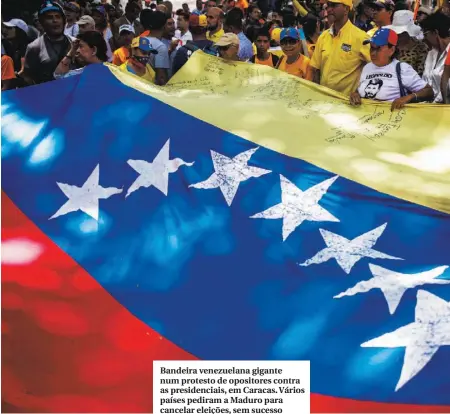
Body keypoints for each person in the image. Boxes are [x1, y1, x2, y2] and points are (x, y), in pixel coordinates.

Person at [350, 28, 433, 110]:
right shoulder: (367, 67)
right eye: (371, 47)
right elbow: (362, 88)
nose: (372, 53)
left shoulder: (402, 68)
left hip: (390, 120)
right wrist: (356, 94)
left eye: (378, 48)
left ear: (391, 50)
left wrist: (408, 98)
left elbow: (428, 91)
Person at [310, 0, 371, 96]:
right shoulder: (323, 37)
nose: (329, 9)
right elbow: (316, 69)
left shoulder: (361, 37)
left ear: (346, 9)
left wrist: (359, 92)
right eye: (328, 5)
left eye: (334, 5)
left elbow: (376, 68)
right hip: (324, 101)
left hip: (347, 105)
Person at [21, 1, 74, 85]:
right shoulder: (34, 47)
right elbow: (27, 76)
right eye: (49, 17)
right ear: (42, 22)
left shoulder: (74, 42)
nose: (55, 20)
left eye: (58, 16)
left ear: (63, 20)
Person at [386, 10, 428, 76]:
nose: (399, 34)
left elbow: (420, 72)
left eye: (402, 32)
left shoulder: (421, 47)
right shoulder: (388, 45)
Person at [421, 12, 450, 103]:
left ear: (435, 32)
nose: (424, 39)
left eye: (425, 34)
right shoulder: (431, 54)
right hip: (429, 106)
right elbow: (425, 82)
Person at [140, 9, 170, 85]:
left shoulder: (139, 41)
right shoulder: (160, 47)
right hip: (152, 88)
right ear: (164, 26)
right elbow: (161, 77)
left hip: (137, 85)